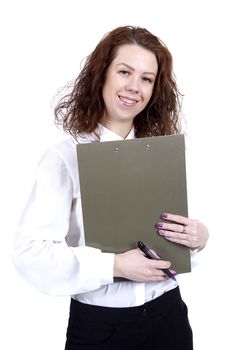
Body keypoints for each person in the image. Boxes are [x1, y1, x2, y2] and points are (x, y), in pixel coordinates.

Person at [13, 25, 209, 350]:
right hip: (102, 329)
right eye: (124, 72)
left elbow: (181, 245)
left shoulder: (165, 153)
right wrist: (114, 266)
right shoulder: (65, 158)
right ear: (101, 74)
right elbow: (30, 255)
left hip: (169, 318)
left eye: (146, 78)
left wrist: (198, 239)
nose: (135, 87)